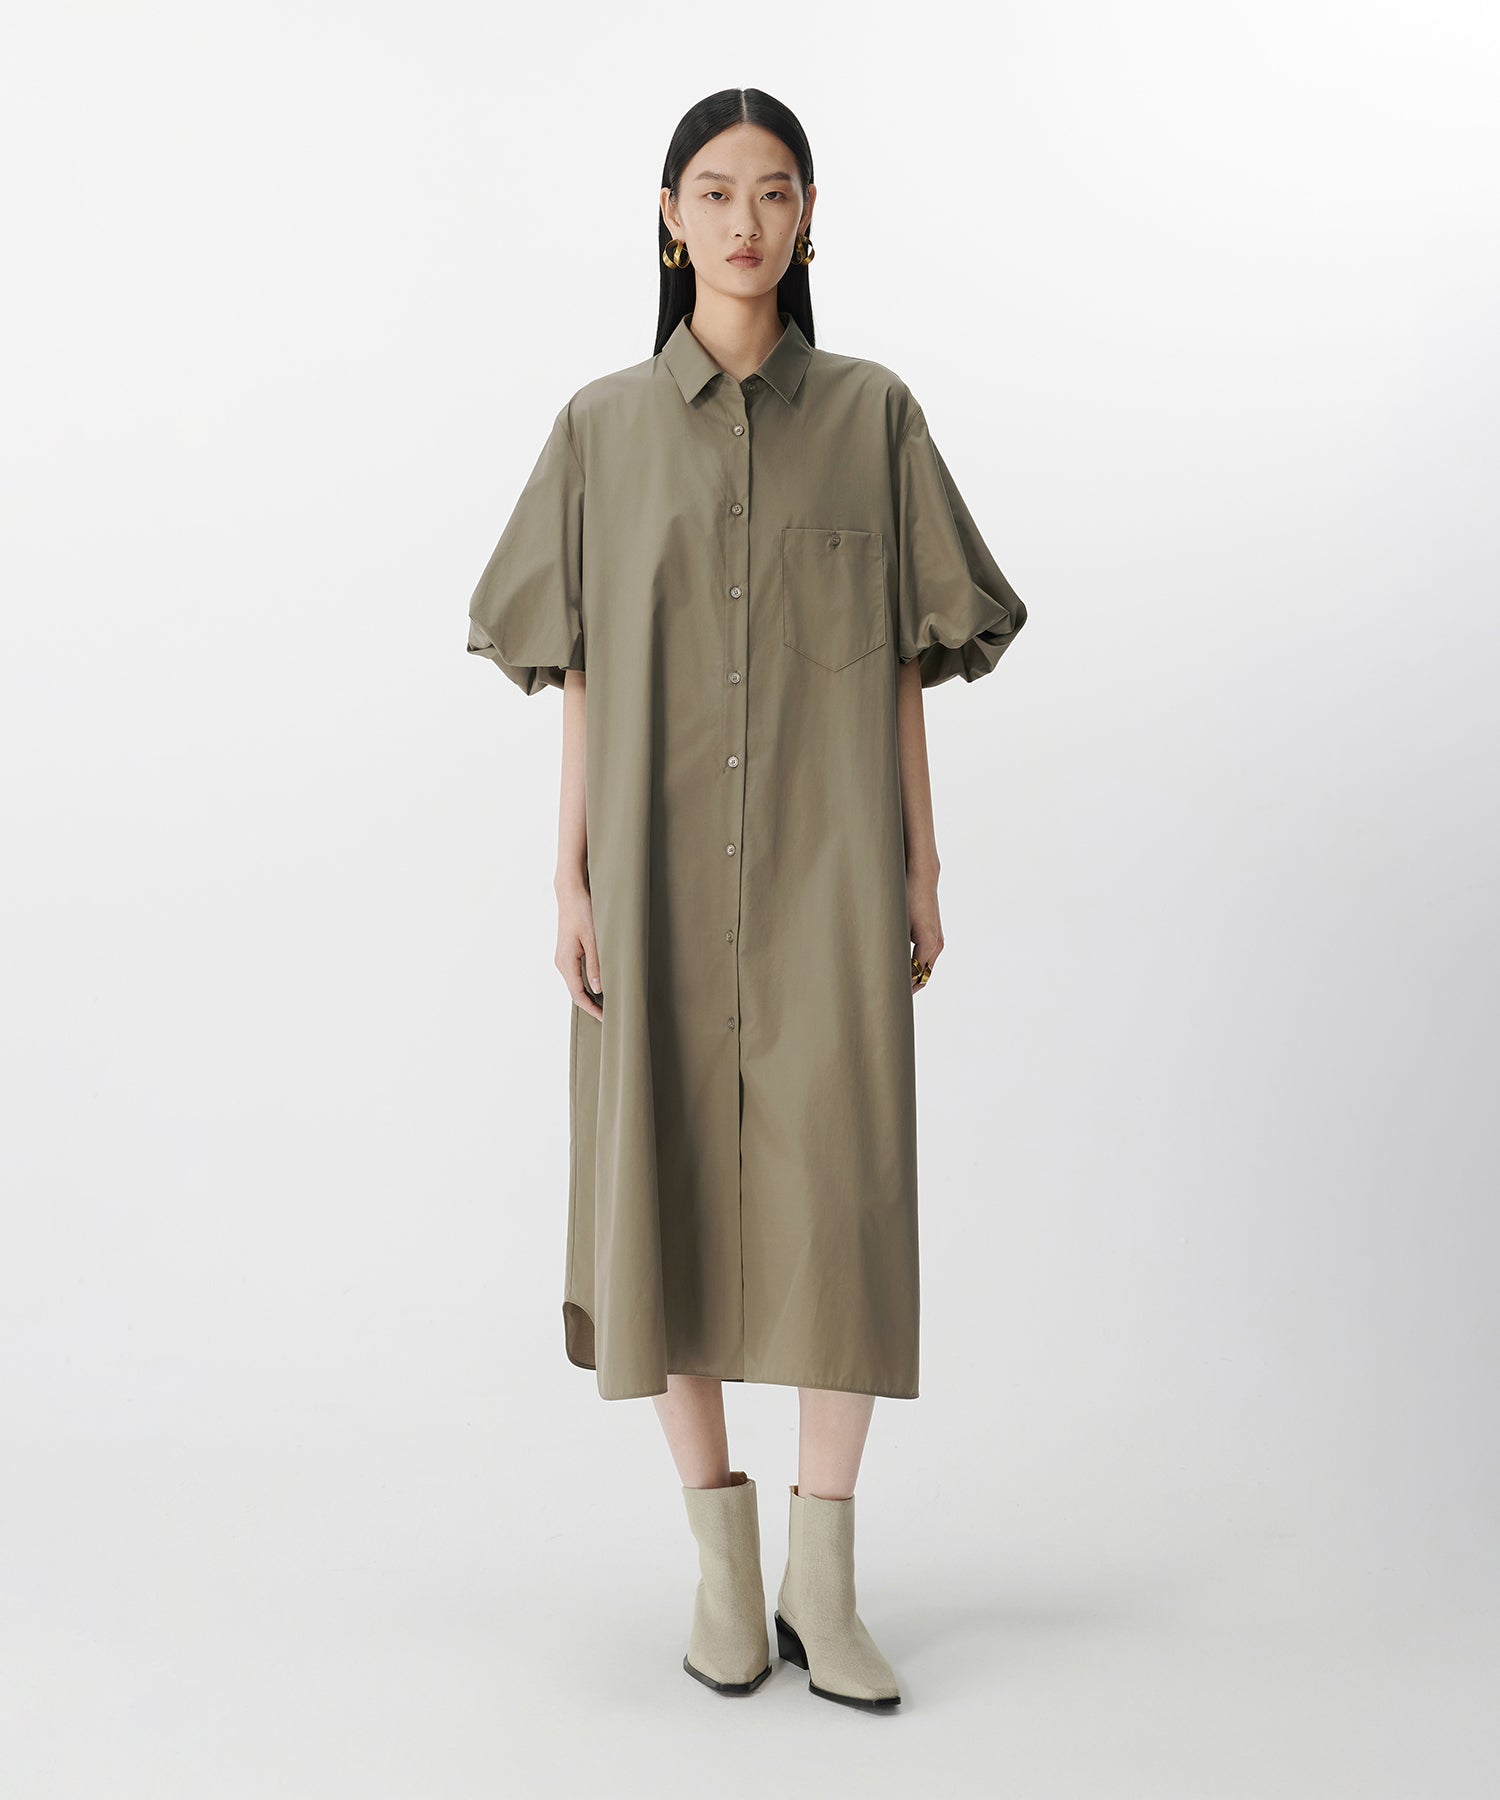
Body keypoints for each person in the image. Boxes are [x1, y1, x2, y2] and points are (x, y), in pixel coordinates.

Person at [465, 87, 1028, 1712]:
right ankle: (720, 1573)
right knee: (665, 1196)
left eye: (774, 191)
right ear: (667, 217)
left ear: (809, 218)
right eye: (713, 192)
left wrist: (921, 860)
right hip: (647, 874)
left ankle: (822, 1587)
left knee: (842, 1202)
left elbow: (909, 661)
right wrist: (567, 872)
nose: (743, 221)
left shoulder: (875, 416)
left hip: (827, 871)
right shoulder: (600, 430)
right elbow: (576, 669)